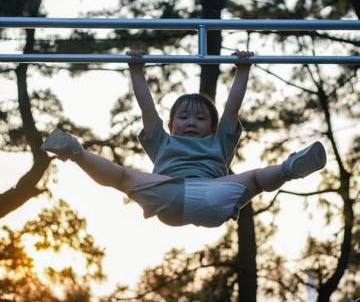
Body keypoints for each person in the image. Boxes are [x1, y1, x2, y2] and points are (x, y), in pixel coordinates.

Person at [41, 50, 326, 228]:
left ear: (213, 127)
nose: (191, 122)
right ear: (171, 124)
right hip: (177, 192)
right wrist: (136, 71)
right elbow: (147, 108)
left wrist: (243, 71)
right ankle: (73, 151)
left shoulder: (219, 142)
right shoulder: (161, 140)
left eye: (201, 119)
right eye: (184, 117)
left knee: (255, 178)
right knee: (124, 177)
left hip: (200, 194)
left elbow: (231, 109)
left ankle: (291, 169)